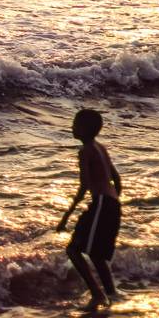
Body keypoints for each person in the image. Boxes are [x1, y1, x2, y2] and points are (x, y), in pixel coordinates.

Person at [57, 108, 122, 307]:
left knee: (73, 249)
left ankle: (97, 294)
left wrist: (66, 216)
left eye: (75, 124)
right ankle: (111, 292)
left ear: (84, 129)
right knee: (95, 253)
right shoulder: (101, 148)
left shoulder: (85, 151)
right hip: (110, 204)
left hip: (102, 203)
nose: (72, 127)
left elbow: (84, 185)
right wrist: (113, 201)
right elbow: (117, 179)